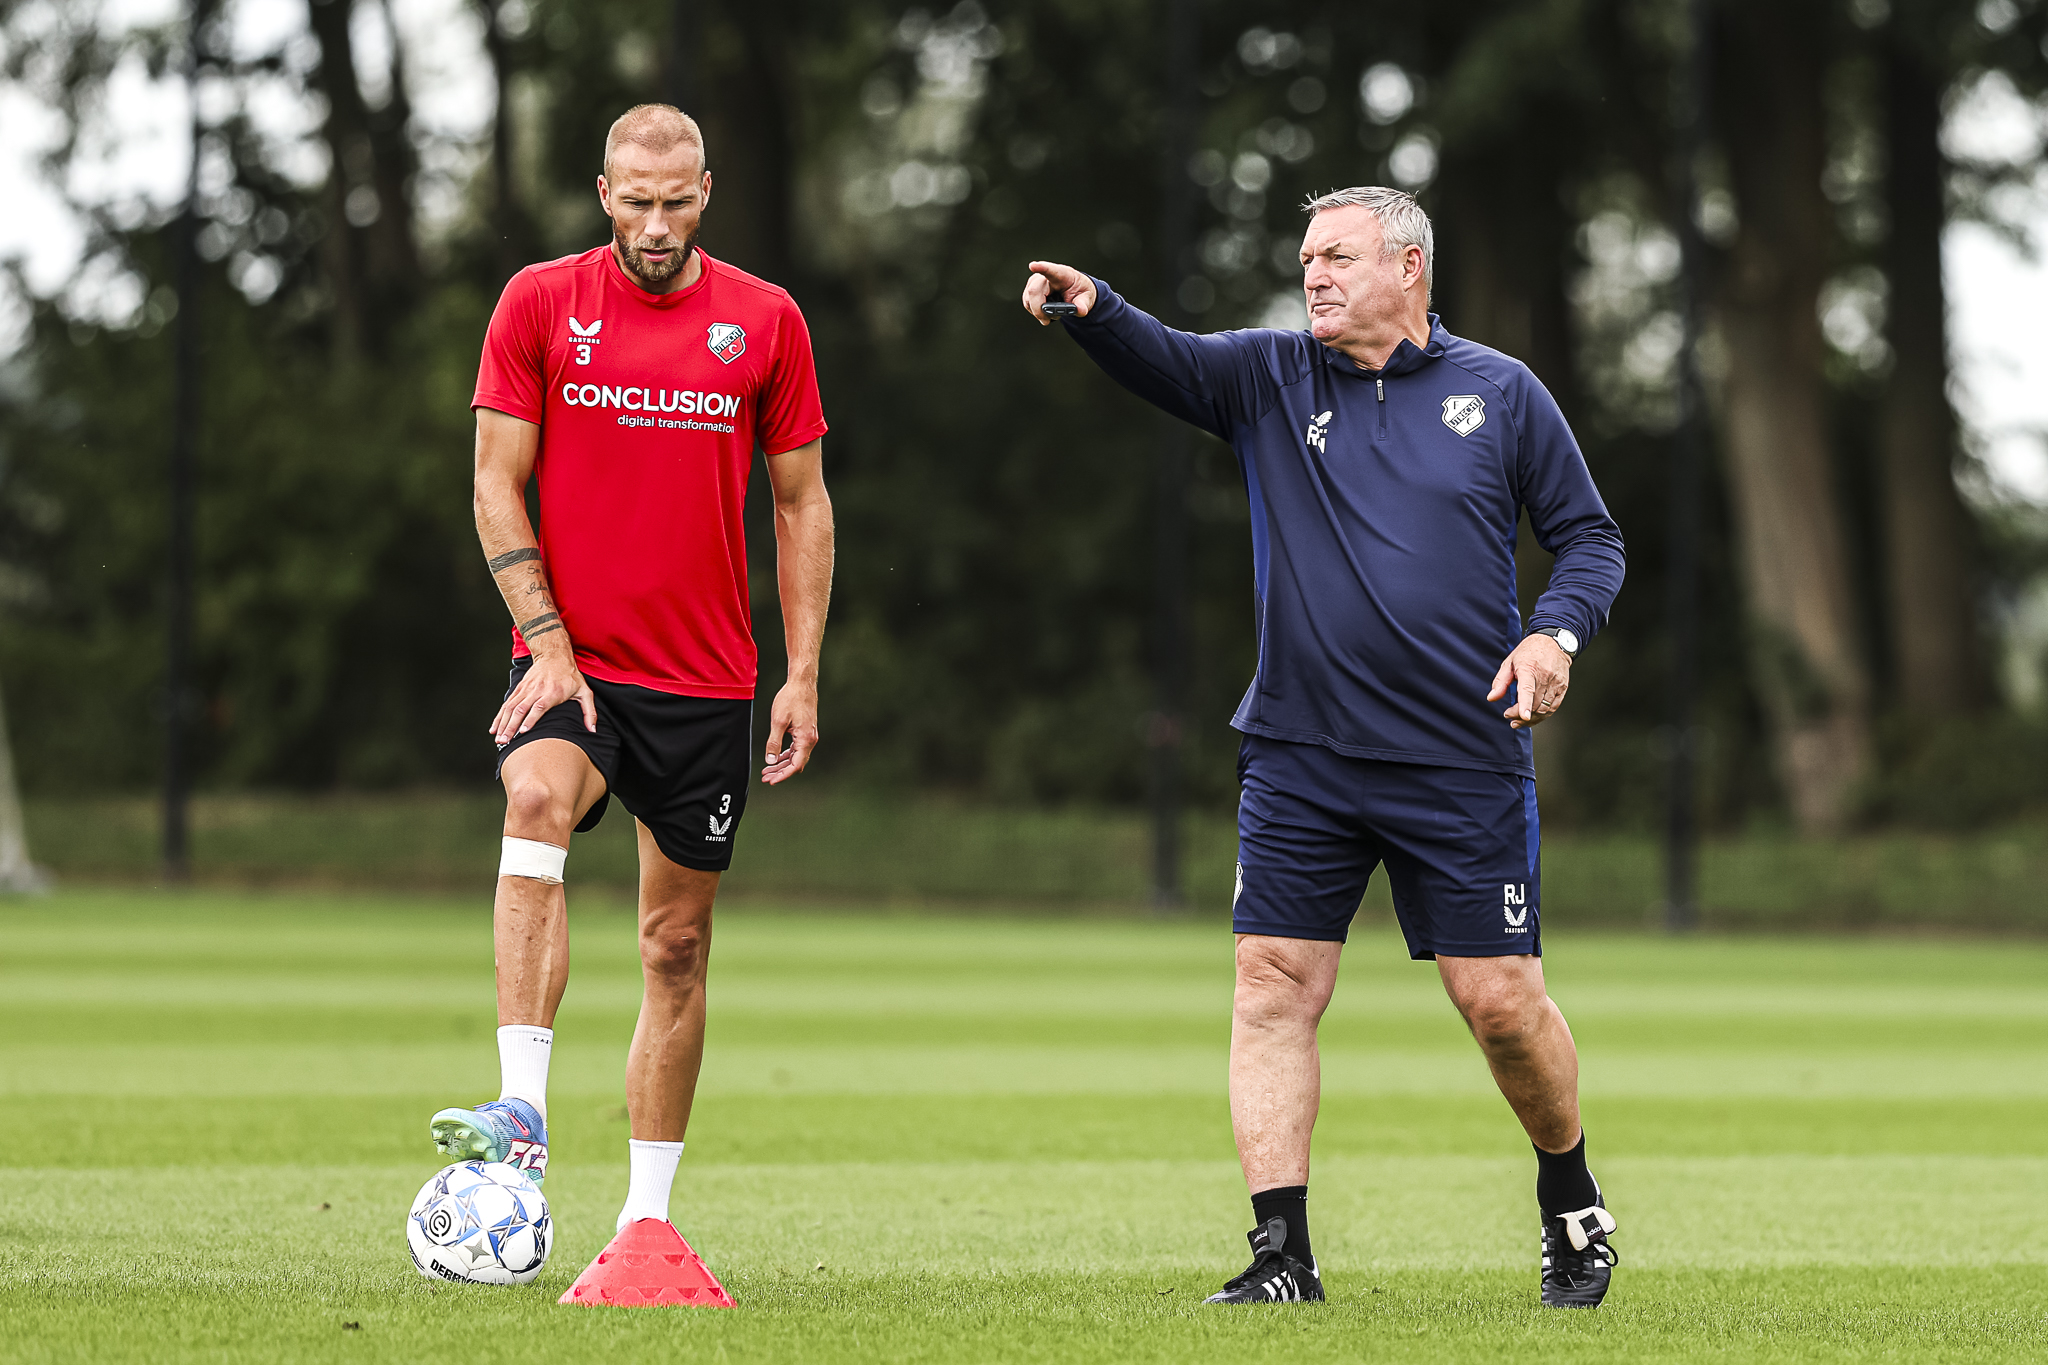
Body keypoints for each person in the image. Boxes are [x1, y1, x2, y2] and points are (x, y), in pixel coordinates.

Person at [1022, 186, 1626, 1308]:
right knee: (1270, 985)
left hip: (1458, 753)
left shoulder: (1499, 392)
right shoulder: (1268, 376)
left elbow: (1589, 538)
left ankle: (1570, 1199)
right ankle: (1279, 1257)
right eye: (1305, 258)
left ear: (1408, 267)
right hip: (1300, 749)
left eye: (1336, 257)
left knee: (1496, 1001)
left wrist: (1554, 633)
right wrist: (1094, 306)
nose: (1312, 276)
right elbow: (1166, 358)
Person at [436, 104, 834, 1254]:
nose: (655, 224)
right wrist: (546, 639)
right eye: (634, 199)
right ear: (602, 190)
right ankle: (520, 1110)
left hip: (708, 683)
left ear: (705, 190)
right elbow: (493, 486)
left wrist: (801, 673)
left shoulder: (765, 321)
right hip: (573, 658)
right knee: (533, 801)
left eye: (677, 201)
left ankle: (646, 1225)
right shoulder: (539, 303)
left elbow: (800, 502)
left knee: (675, 947)